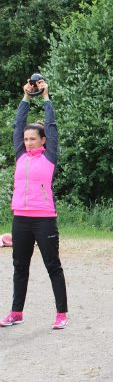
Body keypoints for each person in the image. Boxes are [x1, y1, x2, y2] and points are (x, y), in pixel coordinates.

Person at [0, 77, 69, 329]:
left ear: (43, 140)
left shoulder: (50, 156)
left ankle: (61, 313)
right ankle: (16, 312)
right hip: (21, 218)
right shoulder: (20, 156)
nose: (27, 142)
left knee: (53, 265)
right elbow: (18, 126)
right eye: (26, 139)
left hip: (44, 219)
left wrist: (46, 96)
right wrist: (26, 97)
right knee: (20, 267)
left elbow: (51, 125)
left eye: (32, 139)